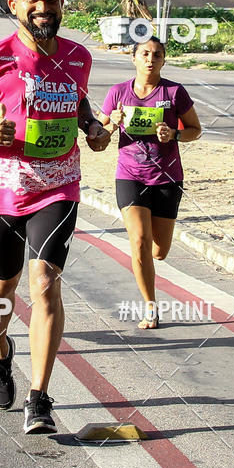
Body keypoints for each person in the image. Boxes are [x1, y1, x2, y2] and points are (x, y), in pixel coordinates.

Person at [0, 0, 110, 434]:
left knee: (44, 281)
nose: (43, 8)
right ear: (12, 5)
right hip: (0, 189)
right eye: (32, 0)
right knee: (1, 287)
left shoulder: (78, 56)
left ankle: (40, 398)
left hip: (58, 185)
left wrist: (92, 129)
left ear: (61, 5)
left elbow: (77, 105)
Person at [98, 36, 202, 329]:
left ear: (163, 60)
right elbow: (99, 135)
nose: (150, 59)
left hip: (168, 177)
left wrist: (175, 134)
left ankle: (149, 263)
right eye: (145, 53)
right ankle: (150, 307)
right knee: (140, 241)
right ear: (134, 58)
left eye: (157, 55)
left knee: (159, 251)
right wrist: (111, 123)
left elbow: (195, 129)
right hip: (130, 175)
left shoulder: (174, 92)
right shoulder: (118, 92)